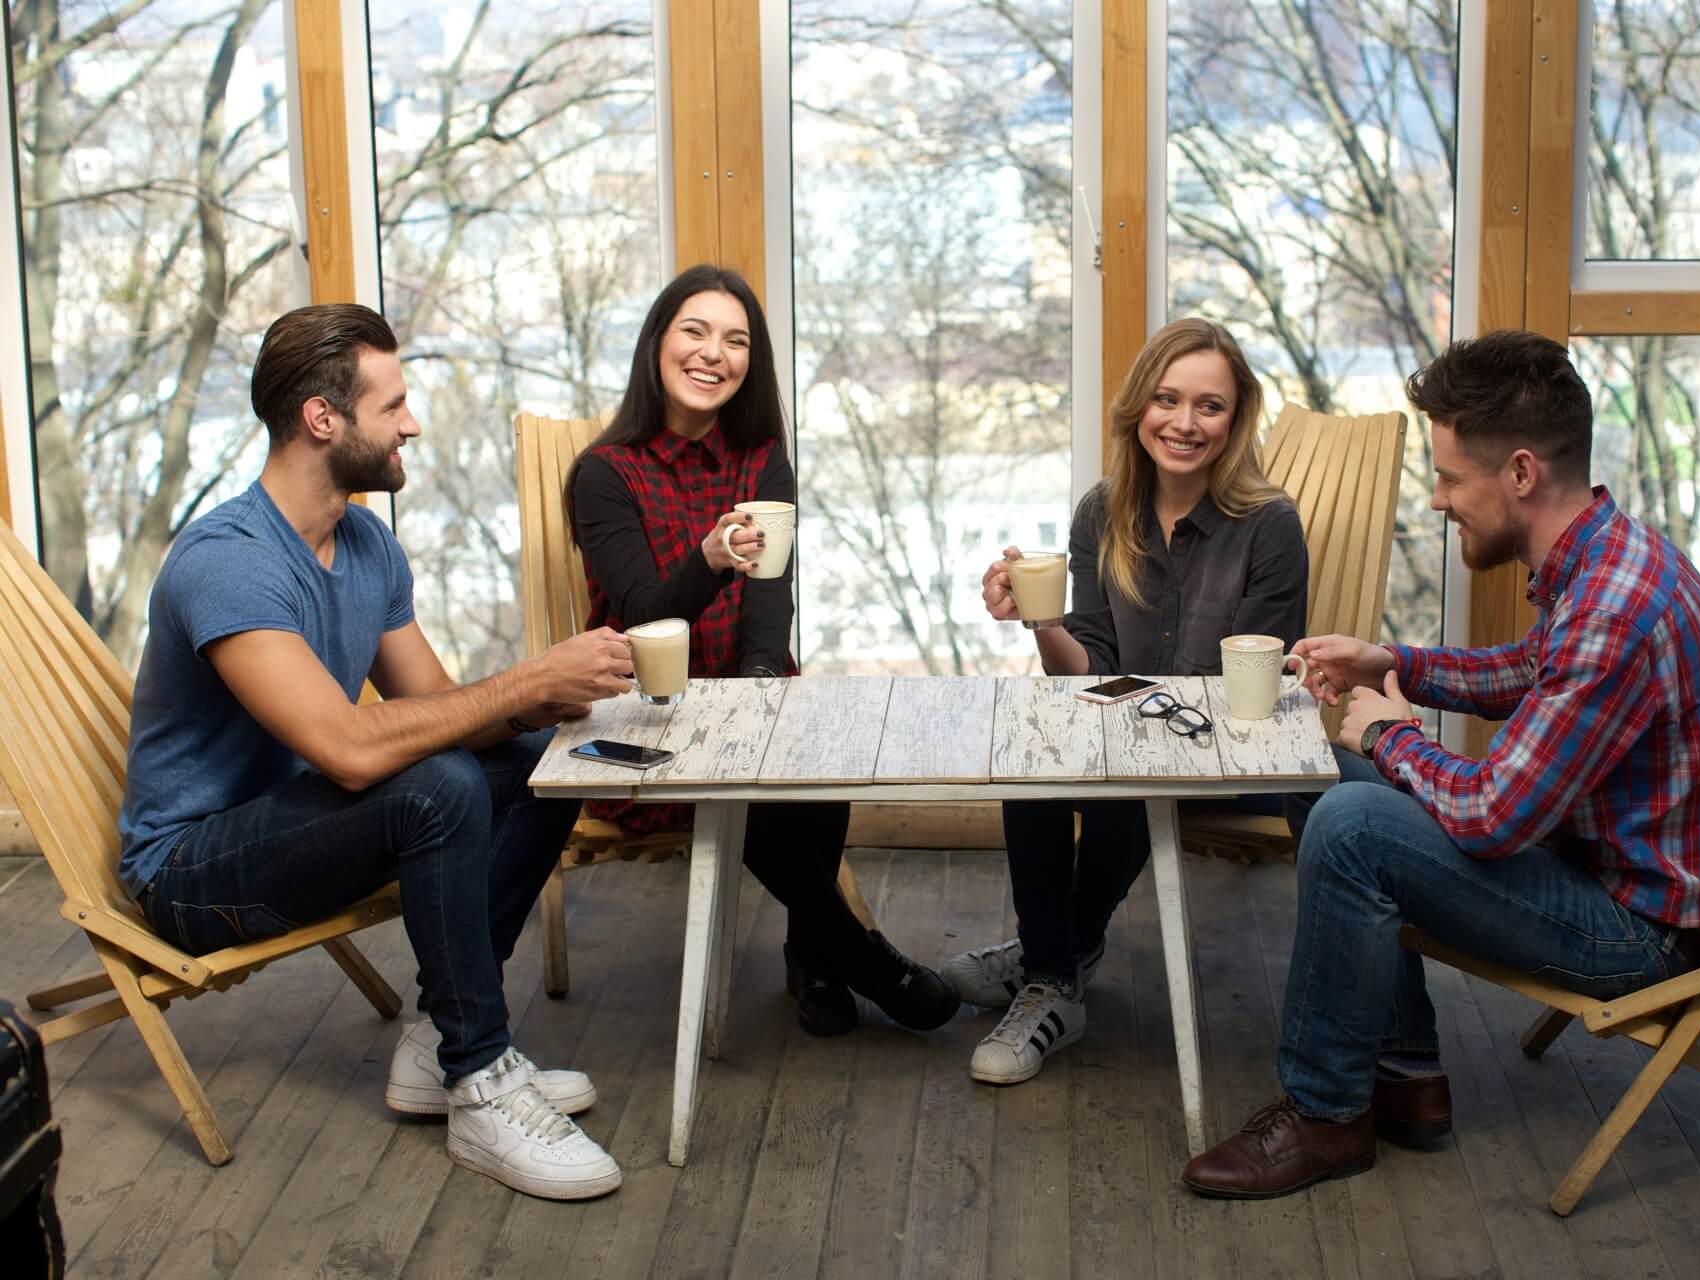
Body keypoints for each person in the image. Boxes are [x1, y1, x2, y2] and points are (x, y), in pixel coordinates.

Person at [1180, 329, 1700, 1199]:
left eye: (1450, 478)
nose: (1440, 500)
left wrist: (1385, 734)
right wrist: (1391, 664)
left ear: (1519, 473)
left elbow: (1494, 816)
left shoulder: (1613, 612)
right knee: (1317, 774)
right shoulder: (1608, 562)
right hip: (1599, 872)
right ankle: (1406, 1074)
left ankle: (1327, 1115)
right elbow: (1530, 671)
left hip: (1640, 934)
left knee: (1351, 820)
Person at [119, 305, 630, 1201]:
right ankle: (478, 1081)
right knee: (434, 784)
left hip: (295, 829)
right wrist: (523, 679)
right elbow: (352, 752)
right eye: (391, 404)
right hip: (192, 870)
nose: (412, 423)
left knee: (539, 764)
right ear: (323, 419)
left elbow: (433, 711)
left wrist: (546, 697)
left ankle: (438, 1047)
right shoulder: (227, 561)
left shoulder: (364, 542)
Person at [565, 264, 958, 1038]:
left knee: (819, 752)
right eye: (696, 331)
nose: (716, 352)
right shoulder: (604, 476)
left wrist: (757, 699)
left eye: (736, 339)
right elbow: (646, 619)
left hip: (743, 690)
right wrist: (709, 559)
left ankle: (813, 957)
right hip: (643, 717)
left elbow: (770, 607)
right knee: (751, 791)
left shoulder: (761, 459)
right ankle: (860, 956)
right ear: (656, 344)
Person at [943, 317, 1309, 1084]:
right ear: (1138, 408)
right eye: (1167, 400)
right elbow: (1089, 672)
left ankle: (1050, 967)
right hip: (1135, 732)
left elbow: (1254, 695)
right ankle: (1057, 969)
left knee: (1122, 786)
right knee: (1028, 753)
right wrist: (1041, 618)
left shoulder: (1270, 527)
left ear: (1236, 419)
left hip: (1234, 751)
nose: (1183, 423)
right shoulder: (1101, 513)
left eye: (1209, 406)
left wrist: (1136, 720)